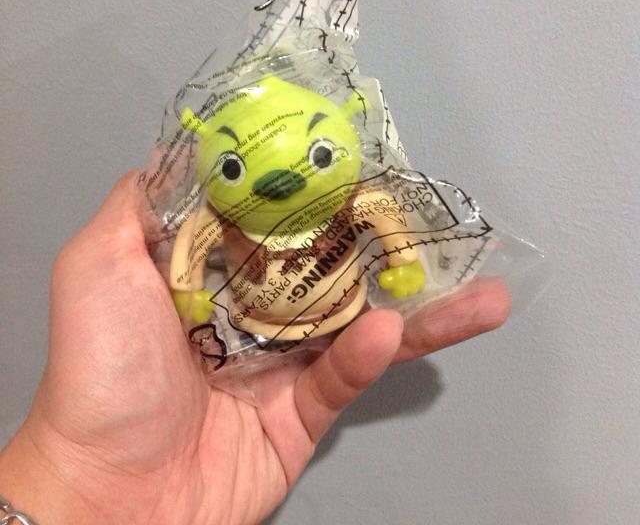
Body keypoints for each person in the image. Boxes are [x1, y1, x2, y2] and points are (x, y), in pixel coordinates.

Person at [0, 172, 510, 524]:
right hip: (254, 321)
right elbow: (192, 246)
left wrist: (406, 261)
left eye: (318, 156)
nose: (280, 179)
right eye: (236, 166)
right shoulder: (221, 214)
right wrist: (187, 293)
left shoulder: (350, 196)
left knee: (379, 334)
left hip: (343, 308)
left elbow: (382, 213)